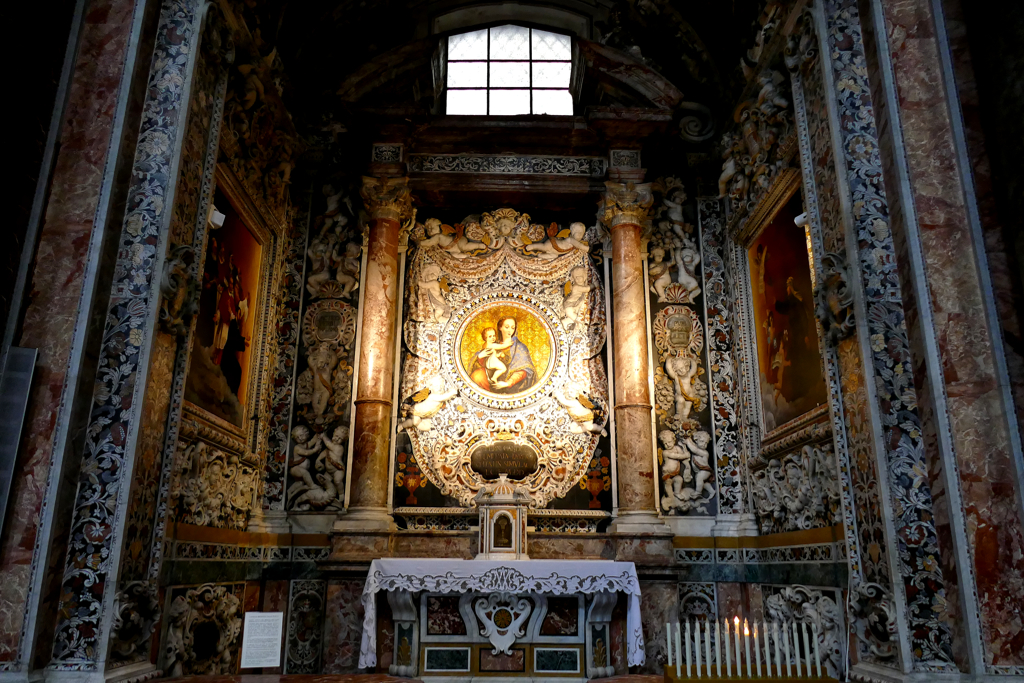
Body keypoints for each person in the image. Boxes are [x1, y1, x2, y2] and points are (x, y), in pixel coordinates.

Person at [469, 317, 537, 394]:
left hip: (510, 384)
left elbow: (526, 369)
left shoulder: (520, 347)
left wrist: (508, 383)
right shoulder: (493, 344)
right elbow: (484, 364)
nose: (510, 330)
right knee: (477, 376)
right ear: (500, 327)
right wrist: (480, 357)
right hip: (490, 381)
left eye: (512, 328)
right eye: (507, 327)